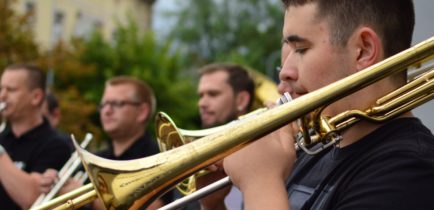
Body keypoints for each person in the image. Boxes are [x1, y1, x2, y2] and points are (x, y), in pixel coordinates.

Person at [217, 0, 434, 210]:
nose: (284, 72)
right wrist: (215, 205)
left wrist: (260, 182)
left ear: (364, 49)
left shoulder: (409, 170)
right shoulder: (314, 149)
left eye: (301, 49)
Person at [40, 76, 172, 209]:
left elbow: (152, 207)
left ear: (142, 112)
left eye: (117, 104)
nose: (107, 111)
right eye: (103, 105)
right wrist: (57, 183)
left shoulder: (159, 158)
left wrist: (87, 199)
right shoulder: (94, 159)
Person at [0, 64, 71, 210]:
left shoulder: (56, 145)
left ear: (36, 97)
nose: (2, 96)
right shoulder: (3, 137)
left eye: (11, 90)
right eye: (1, 89)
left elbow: (32, 198)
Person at [195, 63, 255, 210]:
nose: (201, 103)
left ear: (241, 100)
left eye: (213, 94)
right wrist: (212, 205)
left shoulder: (261, 155)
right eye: (201, 95)